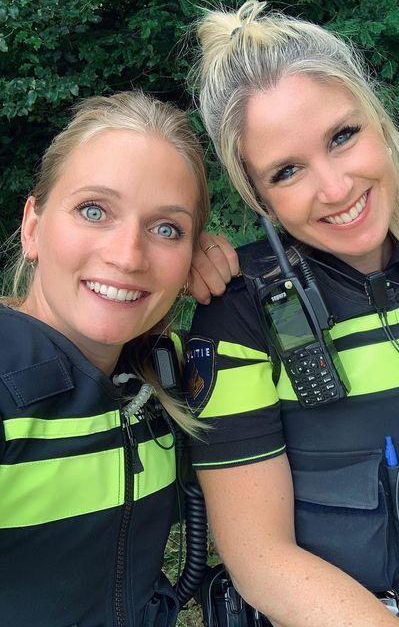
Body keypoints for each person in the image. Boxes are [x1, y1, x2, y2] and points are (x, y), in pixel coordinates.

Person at [184, 0, 399, 627]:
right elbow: (261, 559)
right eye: (287, 171)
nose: (335, 189)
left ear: (379, 124)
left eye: (342, 136)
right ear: (259, 197)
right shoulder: (240, 316)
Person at [0, 90, 238, 627]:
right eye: (93, 210)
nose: (129, 256)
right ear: (32, 225)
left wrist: (235, 288)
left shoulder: (165, 377)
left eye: (166, 229)